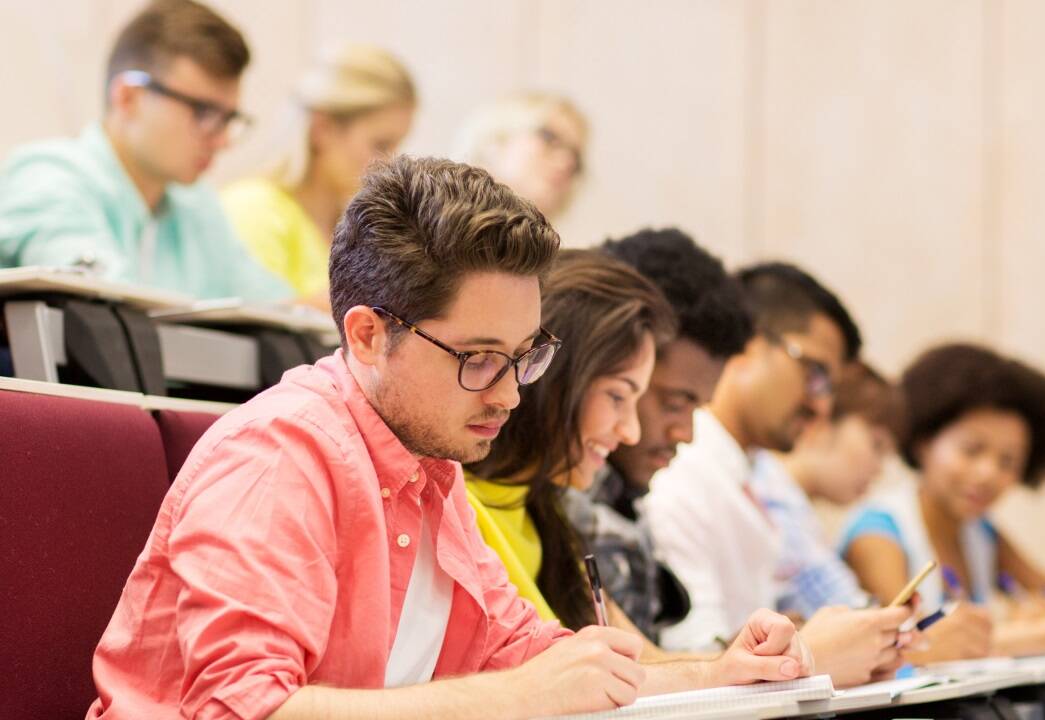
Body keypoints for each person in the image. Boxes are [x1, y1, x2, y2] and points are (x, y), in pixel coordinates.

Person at [89, 155, 712, 719]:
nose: (510, 393)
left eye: (526, 356)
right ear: (367, 336)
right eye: (479, 357)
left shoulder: (431, 461)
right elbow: (246, 711)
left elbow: (527, 652)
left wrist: (725, 674)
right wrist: (523, 695)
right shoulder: (276, 455)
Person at [464, 248, 813, 693]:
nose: (628, 431)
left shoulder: (547, 513)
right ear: (555, 379)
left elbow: (642, 662)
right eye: (616, 397)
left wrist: (749, 662)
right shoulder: (460, 504)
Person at [642, 262, 914, 687]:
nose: (821, 406)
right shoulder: (681, 470)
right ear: (748, 344)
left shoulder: (746, 473)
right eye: (815, 373)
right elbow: (688, 664)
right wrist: (813, 652)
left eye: (830, 388)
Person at [0, 0, 289, 302]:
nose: (223, 141)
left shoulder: (197, 206)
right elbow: (101, 310)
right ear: (128, 98)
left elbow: (279, 311)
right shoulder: (48, 177)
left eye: (228, 119)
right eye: (204, 113)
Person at [563, 228, 752, 645]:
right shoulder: (557, 505)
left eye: (696, 408)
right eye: (673, 402)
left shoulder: (622, 497)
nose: (684, 433)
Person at [840, 342, 1045, 662]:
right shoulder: (876, 533)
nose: (988, 473)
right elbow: (913, 647)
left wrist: (1039, 614)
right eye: (971, 450)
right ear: (924, 441)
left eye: (1008, 462)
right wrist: (1040, 634)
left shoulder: (982, 534)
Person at [223, 44, 417, 306]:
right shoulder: (253, 208)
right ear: (321, 129)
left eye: (397, 147)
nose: (389, 164)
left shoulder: (360, 227)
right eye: (380, 145)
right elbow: (253, 324)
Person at [751, 361, 903, 619]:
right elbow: (852, 621)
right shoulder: (772, 499)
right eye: (876, 445)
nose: (878, 469)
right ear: (823, 418)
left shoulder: (791, 503)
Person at [453, 92, 586, 220]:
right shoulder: (437, 221)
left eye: (576, 160)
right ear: (496, 139)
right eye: (548, 137)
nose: (566, 162)